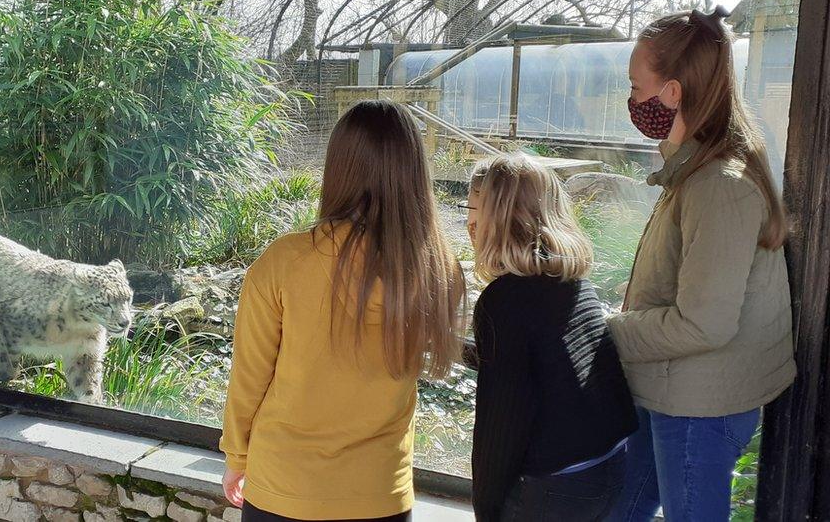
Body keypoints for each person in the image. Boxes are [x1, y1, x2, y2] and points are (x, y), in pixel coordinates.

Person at [219, 100, 466, 522]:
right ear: (413, 173)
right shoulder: (438, 269)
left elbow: (250, 377)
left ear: (338, 168)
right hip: (381, 493)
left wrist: (237, 455)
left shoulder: (285, 261)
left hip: (284, 487)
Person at [607, 7, 797, 522]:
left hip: (699, 404)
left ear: (671, 93)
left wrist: (606, 332)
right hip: (671, 387)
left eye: (635, 84)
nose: (631, 98)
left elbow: (704, 323)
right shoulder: (694, 169)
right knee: (623, 508)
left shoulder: (718, 186)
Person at [465, 155, 639, 522]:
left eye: (475, 208)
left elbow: (502, 424)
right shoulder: (570, 279)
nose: (469, 223)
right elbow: (549, 368)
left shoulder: (504, 300)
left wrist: (486, 508)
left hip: (555, 486)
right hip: (609, 466)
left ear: (500, 218)